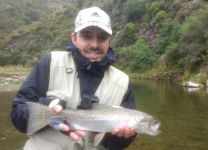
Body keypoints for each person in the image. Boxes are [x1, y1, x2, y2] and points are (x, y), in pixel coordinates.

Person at [11, 6, 137, 150]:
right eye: (87, 35)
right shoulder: (50, 62)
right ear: (74, 38)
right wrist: (47, 111)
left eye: (102, 37)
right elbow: (17, 116)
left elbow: (115, 146)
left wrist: (120, 138)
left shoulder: (123, 82)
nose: (95, 44)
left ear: (109, 41)